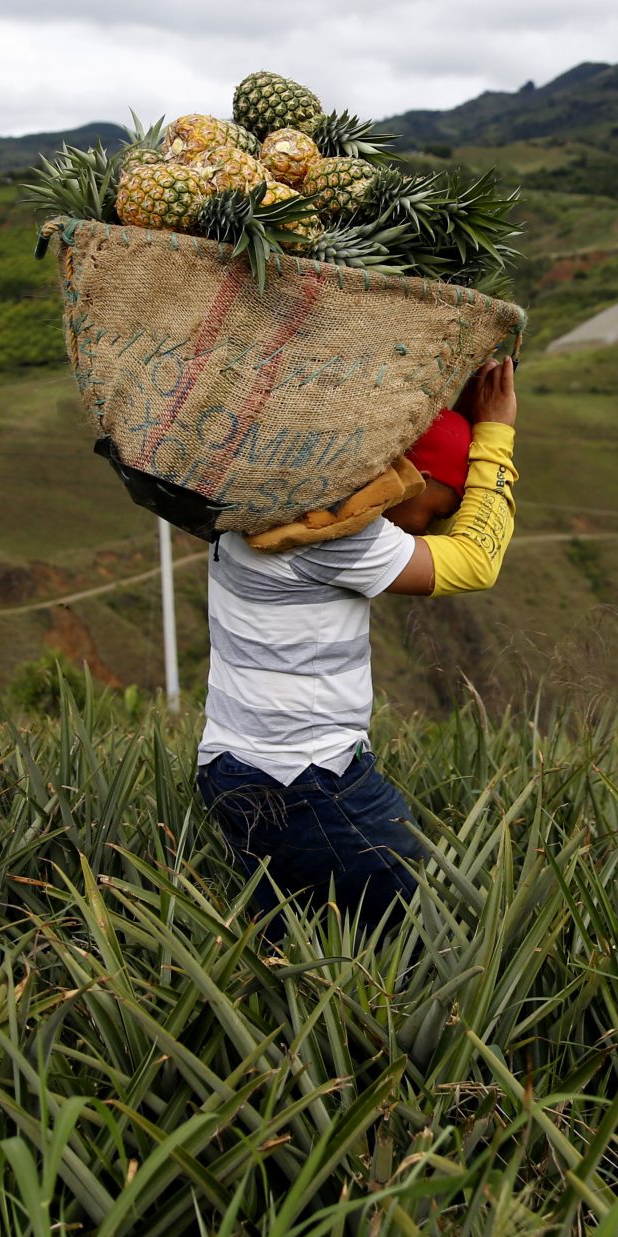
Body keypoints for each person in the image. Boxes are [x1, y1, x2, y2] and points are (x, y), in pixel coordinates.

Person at [194, 359, 519, 929]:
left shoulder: (265, 506)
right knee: (432, 939)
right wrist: (495, 435)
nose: (427, 528)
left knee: (303, 942)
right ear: (410, 478)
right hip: (305, 780)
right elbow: (476, 562)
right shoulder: (334, 534)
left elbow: (436, 529)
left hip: (233, 769)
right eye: (439, 509)